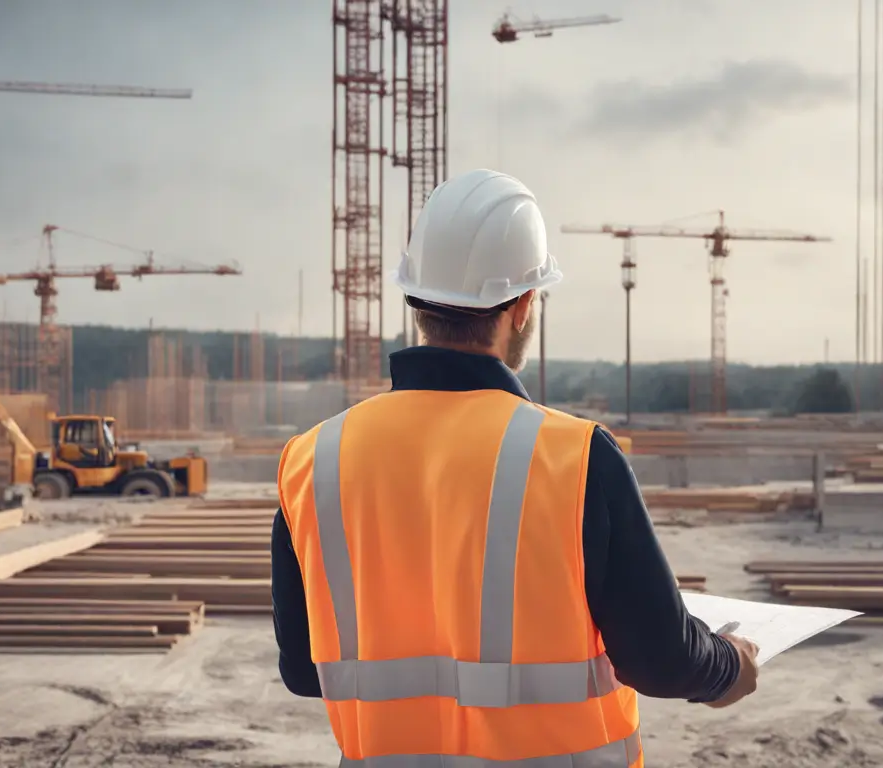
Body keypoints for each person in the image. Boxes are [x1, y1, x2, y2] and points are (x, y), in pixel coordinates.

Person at [272, 169, 759, 766]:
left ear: (415, 298)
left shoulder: (313, 460)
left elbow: (304, 669)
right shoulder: (576, 457)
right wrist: (730, 664)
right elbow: (660, 658)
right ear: (524, 305)